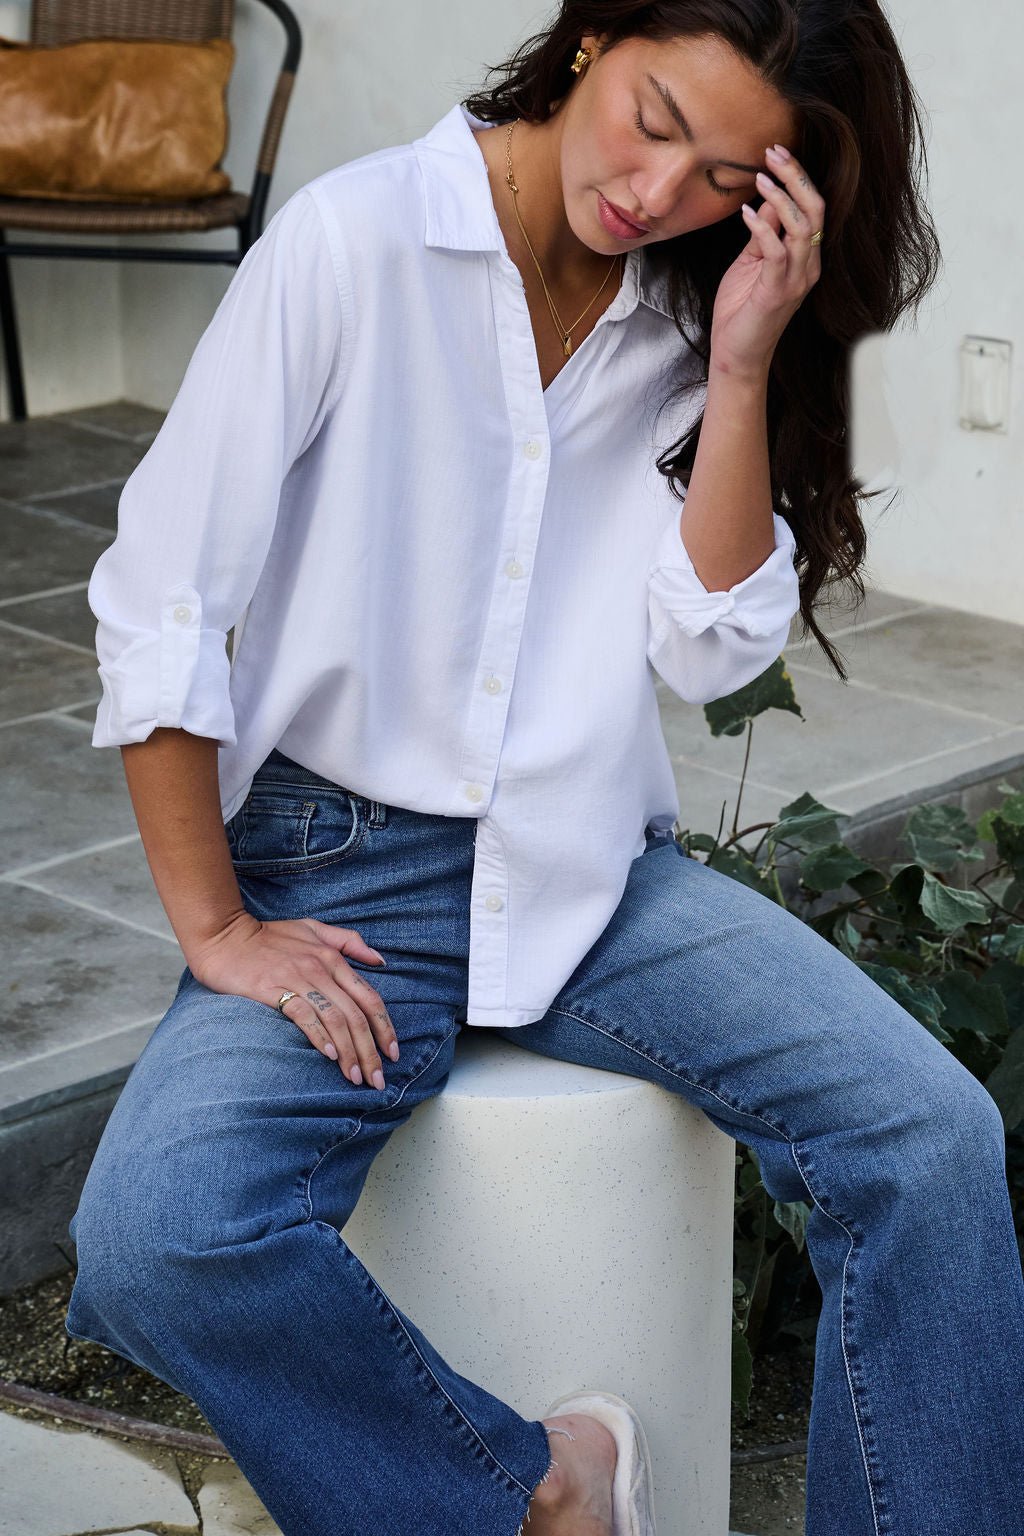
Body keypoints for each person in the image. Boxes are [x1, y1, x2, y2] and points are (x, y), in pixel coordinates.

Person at [64, 3, 1024, 1534]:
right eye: (654, 116)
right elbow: (164, 598)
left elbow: (714, 653)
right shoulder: (354, 245)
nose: (657, 192)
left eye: (721, 176)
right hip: (337, 865)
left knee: (928, 1141)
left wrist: (740, 367)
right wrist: (217, 927)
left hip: (587, 873)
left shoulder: (685, 315)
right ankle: (537, 1493)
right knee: (160, 1237)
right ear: (593, 42)